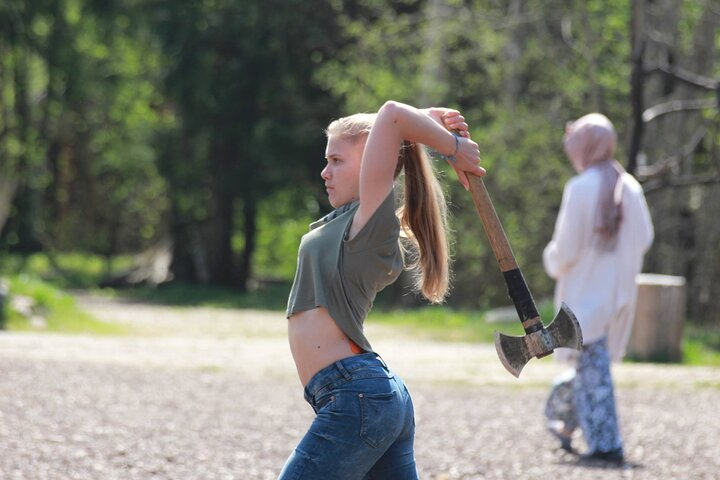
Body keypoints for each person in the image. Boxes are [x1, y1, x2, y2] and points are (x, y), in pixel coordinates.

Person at [279, 101, 484, 479]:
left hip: (356, 394)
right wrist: (430, 118)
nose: (325, 172)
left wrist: (453, 149)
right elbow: (392, 125)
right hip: (366, 394)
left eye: (337, 161)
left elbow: (391, 115)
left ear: (375, 162)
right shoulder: (345, 219)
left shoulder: (369, 224)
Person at [542, 113, 654, 464]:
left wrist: (551, 260)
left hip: (585, 296)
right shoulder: (630, 187)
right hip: (617, 296)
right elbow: (646, 238)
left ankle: (605, 444)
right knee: (590, 367)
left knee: (590, 368)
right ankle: (564, 425)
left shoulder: (581, 188)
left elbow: (565, 251)